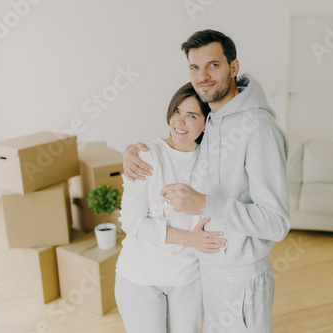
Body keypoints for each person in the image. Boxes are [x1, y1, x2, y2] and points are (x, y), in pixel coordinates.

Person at [124, 30, 290, 333]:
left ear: (233, 68)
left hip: (241, 279)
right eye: (194, 68)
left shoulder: (259, 130)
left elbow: (276, 222)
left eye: (213, 65)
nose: (203, 76)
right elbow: (177, 147)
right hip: (207, 273)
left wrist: (204, 204)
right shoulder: (213, 119)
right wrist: (133, 151)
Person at [115, 82, 226, 333]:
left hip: (187, 279)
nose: (179, 122)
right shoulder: (147, 156)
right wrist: (189, 239)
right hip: (140, 277)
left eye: (191, 115)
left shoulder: (212, 162)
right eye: (176, 111)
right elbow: (132, 223)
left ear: (206, 123)